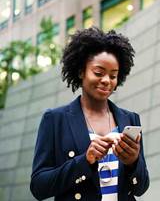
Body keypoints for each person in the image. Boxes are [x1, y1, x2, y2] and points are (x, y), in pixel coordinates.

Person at [30, 27, 149, 201]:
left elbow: (141, 188)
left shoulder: (130, 119)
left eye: (113, 75)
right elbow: (39, 187)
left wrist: (133, 163)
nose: (107, 80)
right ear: (81, 71)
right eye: (98, 73)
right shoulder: (55, 119)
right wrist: (85, 161)